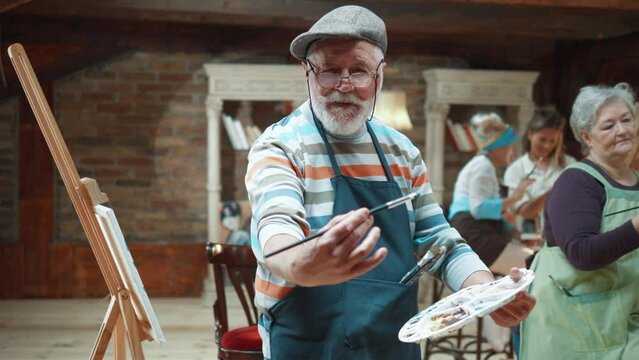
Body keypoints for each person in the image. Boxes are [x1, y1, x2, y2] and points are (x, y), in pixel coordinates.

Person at [245, 6, 535, 360]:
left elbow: (440, 242)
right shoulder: (281, 145)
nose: (344, 85)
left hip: (391, 339)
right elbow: (277, 224)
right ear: (307, 73)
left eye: (360, 71)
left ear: (380, 77)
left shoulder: (401, 152)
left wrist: (485, 294)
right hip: (308, 340)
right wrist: (301, 263)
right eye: (330, 71)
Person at [520, 83, 639, 360]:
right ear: (586, 136)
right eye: (608, 126)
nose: (621, 130)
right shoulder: (576, 182)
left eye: (626, 120)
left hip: (624, 317)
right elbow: (581, 253)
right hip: (575, 326)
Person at [448, 112, 535, 276]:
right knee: (531, 263)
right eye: (510, 147)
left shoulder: (485, 165)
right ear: (499, 148)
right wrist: (515, 197)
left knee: (530, 260)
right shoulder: (483, 166)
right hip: (473, 235)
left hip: (479, 231)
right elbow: (479, 209)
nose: (513, 152)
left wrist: (514, 232)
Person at [503, 109, 576, 235]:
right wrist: (556, 190)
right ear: (530, 134)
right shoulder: (516, 169)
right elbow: (526, 212)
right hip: (530, 235)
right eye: (542, 139)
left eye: (552, 141)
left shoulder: (570, 164)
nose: (547, 146)